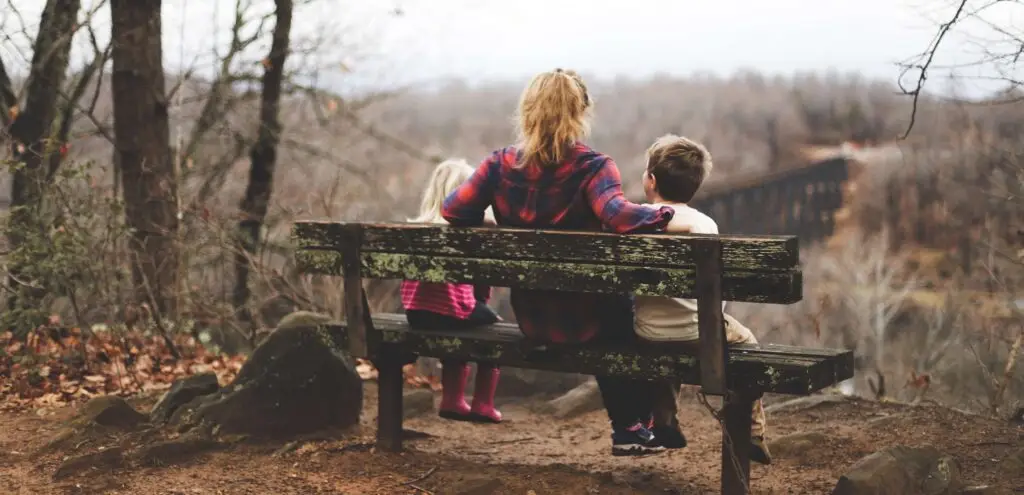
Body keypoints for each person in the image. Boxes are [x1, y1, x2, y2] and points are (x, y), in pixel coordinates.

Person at [441, 68, 675, 456]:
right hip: (590, 319)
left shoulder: (498, 166)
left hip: (534, 318)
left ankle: (633, 427)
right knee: (623, 309)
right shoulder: (594, 167)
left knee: (612, 306)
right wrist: (663, 214)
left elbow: (453, 210)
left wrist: (489, 223)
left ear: (528, 111)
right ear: (580, 112)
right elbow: (617, 215)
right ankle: (631, 426)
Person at [633, 134, 772, 464]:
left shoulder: (634, 220)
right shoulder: (703, 224)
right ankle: (753, 430)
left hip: (646, 331)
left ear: (650, 180)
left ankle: (664, 418)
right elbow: (714, 293)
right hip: (699, 332)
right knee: (747, 343)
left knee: (664, 346)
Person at [402, 158, 505, 423]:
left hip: (416, 313)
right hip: (453, 312)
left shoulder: (416, 229)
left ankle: (452, 400)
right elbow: (481, 285)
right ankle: (482, 404)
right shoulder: (469, 230)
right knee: (493, 327)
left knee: (461, 322)